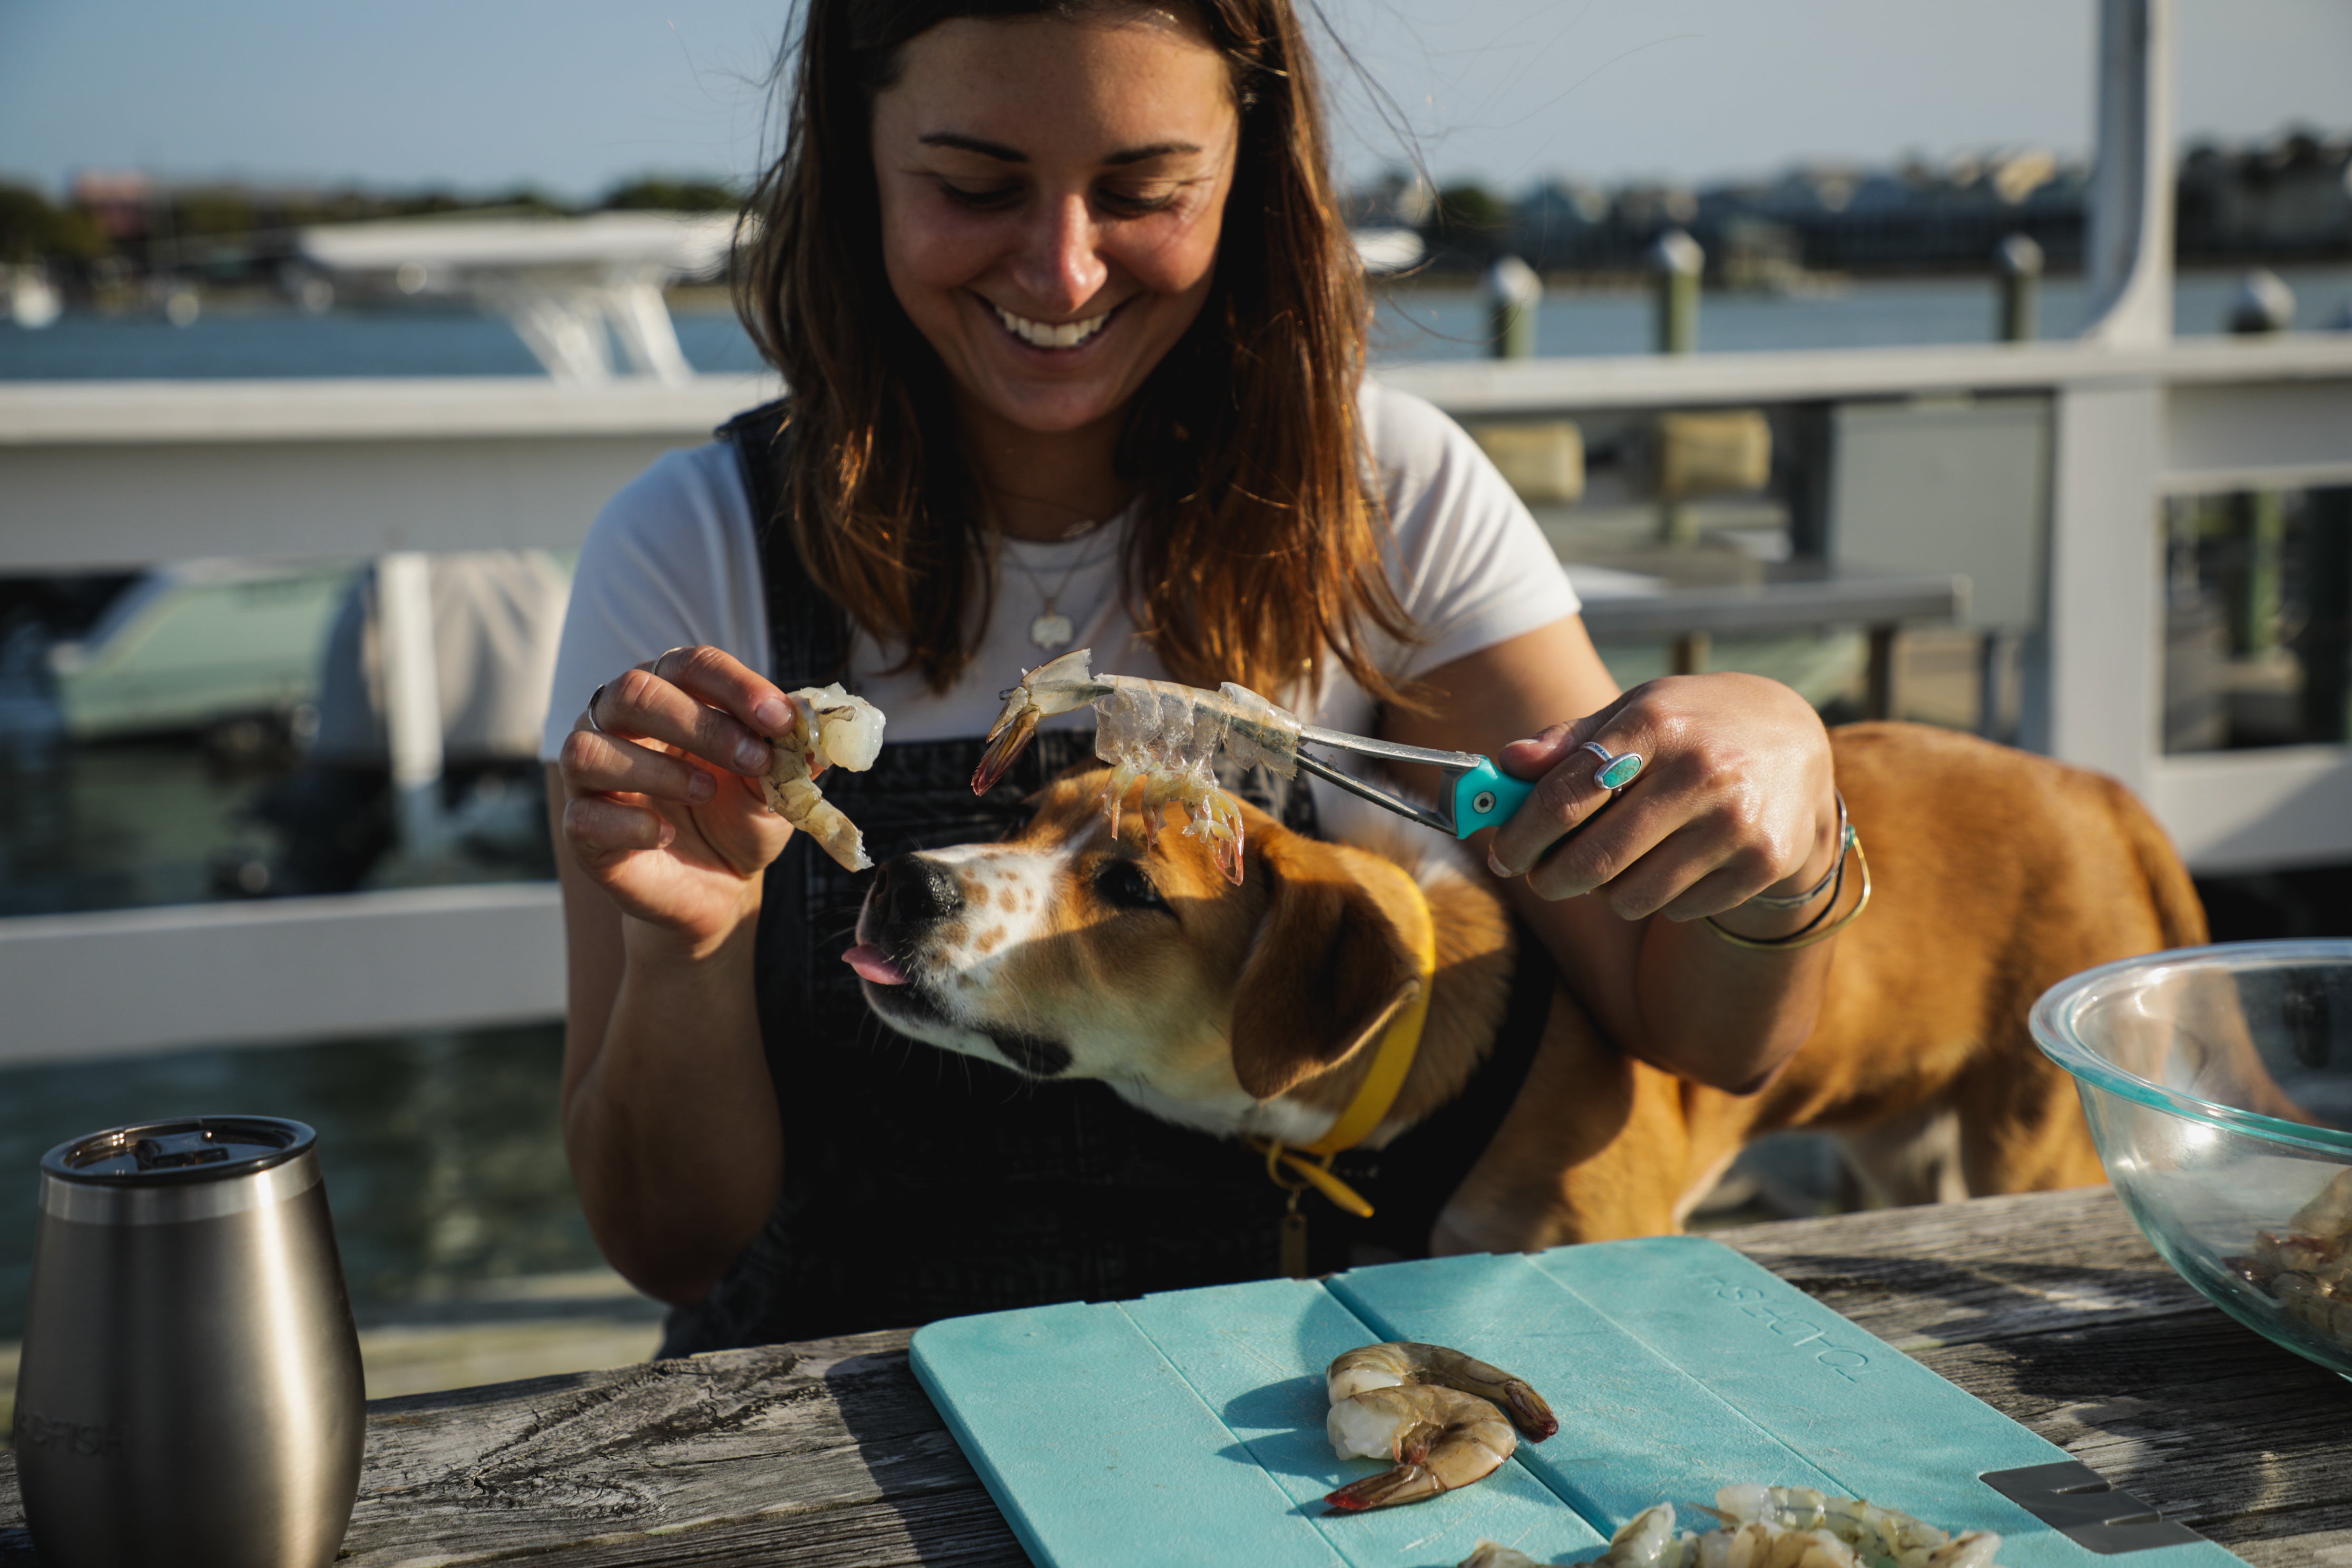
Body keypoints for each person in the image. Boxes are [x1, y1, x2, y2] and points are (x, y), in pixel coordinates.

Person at [543, 0, 1843, 1355]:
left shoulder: (1388, 504)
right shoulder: (694, 553)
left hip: (1289, 1423)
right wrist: (686, 949)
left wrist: (1790, 817)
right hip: (834, 1426)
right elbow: (669, 1244)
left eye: (1145, 191)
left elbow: (1709, 1038)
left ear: (1253, 172)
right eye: (974, 187)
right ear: (855, 162)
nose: (1060, 272)